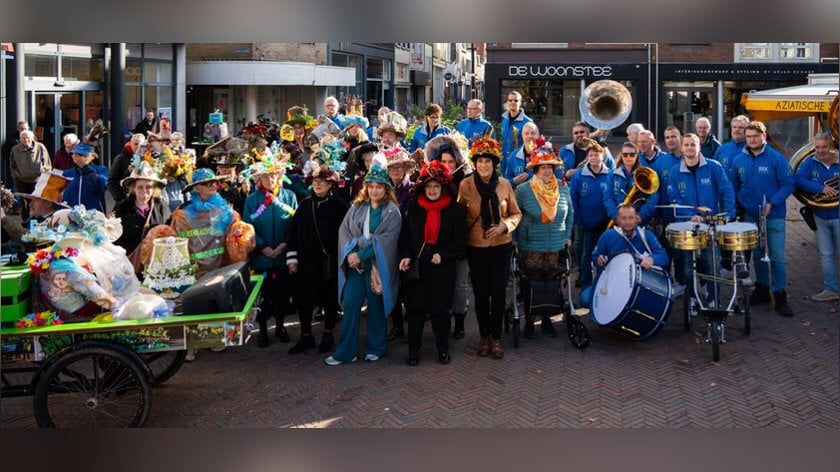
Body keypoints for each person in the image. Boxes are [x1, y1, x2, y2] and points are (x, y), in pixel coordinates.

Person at [327, 153, 402, 365]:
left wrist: (361, 254)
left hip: (377, 267)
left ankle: (376, 347)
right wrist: (352, 254)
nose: (375, 190)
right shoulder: (357, 208)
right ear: (366, 188)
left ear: (385, 188)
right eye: (371, 186)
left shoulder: (392, 212)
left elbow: (388, 240)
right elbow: (345, 231)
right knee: (351, 303)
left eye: (379, 186)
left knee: (376, 307)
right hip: (356, 268)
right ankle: (346, 351)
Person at [459, 136, 521, 359]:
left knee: (498, 292)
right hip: (476, 247)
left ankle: (496, 338)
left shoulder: (504, 184)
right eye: (480, 161)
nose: (484, 165)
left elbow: (516, 213)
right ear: (474, 163)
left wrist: (504, 226)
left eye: (488, 161)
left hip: (501, 246)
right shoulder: (465, 185)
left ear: (494, 164)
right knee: (481, 294)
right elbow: (459, 217)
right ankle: (483, 336)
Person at [399, 161, 466, 365]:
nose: (433, 190)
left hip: (441, 268)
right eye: (429, 186)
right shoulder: (413, 207)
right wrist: (406, 255)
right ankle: (413, 351)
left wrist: (443, 255)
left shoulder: (454, 210)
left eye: (436, 186)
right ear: (423, 187)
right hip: (418, 266)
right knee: (416, 310)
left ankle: (443, 349)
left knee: (440, 311)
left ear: (443, 187)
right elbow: (405, 237)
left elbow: (460, 242)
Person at [731, 121, 795, 317]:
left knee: (776, 256)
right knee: (758, 254)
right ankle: (762, 289)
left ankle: (780, 294)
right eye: (748, 136)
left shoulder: (777, 158)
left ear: (764, 136)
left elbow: (788, 183)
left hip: (773, 215)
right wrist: (737, 207)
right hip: (750, 215)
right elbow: (733, 186)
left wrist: (772, 203)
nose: (752, 140)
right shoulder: (738, 160)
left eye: (755, 136)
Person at [286, 163, 350, 355]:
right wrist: (292, 258)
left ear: (331, 184)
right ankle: (306, 336)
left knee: (330, 299)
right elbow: (294, 233)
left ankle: (328, 334)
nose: (318, 184)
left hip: (329, 262)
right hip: (306, 261)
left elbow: (347, 234)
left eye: (322, 181)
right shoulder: (305, 205)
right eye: (315, 181)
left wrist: (343, 259)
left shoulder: (340, 207)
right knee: (303, 299)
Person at [667, 133, 736, 307]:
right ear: (682, 148)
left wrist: (728, 214)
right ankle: (692, 297)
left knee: (714, 265)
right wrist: (691, 214)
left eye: (693, 144)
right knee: (689, 267)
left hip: (710, 224)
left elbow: (726, 190)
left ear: (699, 147)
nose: (690, 148)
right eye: (687, 145)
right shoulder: (675, 172)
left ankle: (713, 298)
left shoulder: (714, 167)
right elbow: (674, 197)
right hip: (688, 224)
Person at [513, 142, 573, 339]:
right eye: (543, 167)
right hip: (530, 244)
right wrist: (514, 239)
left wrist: (567, 236)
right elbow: (514, 214)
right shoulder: (523, 190)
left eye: (550, 167)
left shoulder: (563, 188)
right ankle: (529, 321)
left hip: (555, 244)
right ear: (536, 169)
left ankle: (547, 320)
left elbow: (570, 213)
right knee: (531, 283)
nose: (547, 171)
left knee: (551, 283)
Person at [243, 153, 298, 347]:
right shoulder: (252, 200)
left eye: (274, 175)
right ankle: (263, 331)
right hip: (262, 258)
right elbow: (247, 226)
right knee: (263, 297)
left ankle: (281, 327)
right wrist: (263, 247)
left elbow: (294, 224)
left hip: (283, 256)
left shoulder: (289, 196)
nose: (270, 179)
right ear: (259, 178)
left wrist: (284, 245)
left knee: (282, 295)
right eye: (266, 176)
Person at [424, 133, 473, 338]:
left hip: (460, 240)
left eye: (451, 161)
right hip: (437, 242)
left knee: (460, 284)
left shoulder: (466, 181)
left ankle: (460, 319)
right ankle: (441, 318)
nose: (448, 165)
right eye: (444, 161)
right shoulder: (431, 179)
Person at [170, 168, 255, 279]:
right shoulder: (183, 215)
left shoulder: (228, 212)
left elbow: (238, 245)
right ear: (196, 188)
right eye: (206, 183)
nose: (212, 185)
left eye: (214, 182)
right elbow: (176, 245)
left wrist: (238, 233)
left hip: (223, 272)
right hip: (195, 275)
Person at [794, 132, 839, 302]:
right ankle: (831, 289)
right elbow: (798, 179)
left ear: (831, 147)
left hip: (838, 214)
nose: (820, 151)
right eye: (817, 147)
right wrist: (821, 189)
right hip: (820, 215)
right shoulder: (810, 161)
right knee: (826, 254)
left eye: (824, 147)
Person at [383, 146, 417, 340]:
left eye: (399, 167)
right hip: (388, 244)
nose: (395, 171)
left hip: (407, 244)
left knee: (408, 286)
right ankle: (396, 325)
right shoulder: (383, 189)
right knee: (391, 285)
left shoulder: (412, 190)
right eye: (392, 168)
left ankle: (412, 326)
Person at [569, 142, 611, 295]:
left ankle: (602, 283)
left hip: (604, 223)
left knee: (602, 254)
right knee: (585, 255)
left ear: (603, 156)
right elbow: (573, 199)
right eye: (591, 155)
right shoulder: (579, 176)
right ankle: (586, 284)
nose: (594, 158)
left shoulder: (610, 174)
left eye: (597, 155)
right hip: (585, 223)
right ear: (587, 157)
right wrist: (577, 221)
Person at [592, 204, 669, 281]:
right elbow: (595, 257)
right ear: (618, 220)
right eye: (624, 218)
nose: (628, 222)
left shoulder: (646, 235)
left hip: (641, 280)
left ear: (636, 218)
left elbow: (664, 257)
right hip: (614, 280)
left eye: (631, 218)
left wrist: (652, 259)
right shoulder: (606, 236)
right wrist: (599, 260)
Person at [112, 162, 171, 259]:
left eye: (148, 187)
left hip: (155, 260)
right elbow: (114, 237)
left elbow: (168, 232)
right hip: (129, 260)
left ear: (154, 189)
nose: (144, 190)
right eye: (140, 187)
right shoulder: (121, 208)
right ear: (133, 188)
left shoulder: (161, 207)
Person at [604, 142, 658, 227]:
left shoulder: (645, 174)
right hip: (618, 221)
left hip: (639, 221)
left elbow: (653, 197)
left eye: (632, 154)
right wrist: (616, 215)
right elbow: (607, 197)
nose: (628, 157)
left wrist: (641, 216)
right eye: (625, 154)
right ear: (621, 156)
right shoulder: (612, 174)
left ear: (637, 155)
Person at [10, 129, 52, 220]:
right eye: (23, 138)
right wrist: (16, 175)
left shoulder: (40, 147)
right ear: (20, 139)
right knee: (24, 203)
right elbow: (12, 165)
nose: (26, 140)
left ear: (32, 138)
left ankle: (37, 222)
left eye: (28, 138)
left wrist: (42, 171)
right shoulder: (15, 149)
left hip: (37, 180)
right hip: (21, 180)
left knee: (37, 202)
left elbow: (48, 164)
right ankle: (25, 223)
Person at [62, 142, 107, 212]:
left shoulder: (101, 170)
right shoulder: (67, 173)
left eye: (82, 155)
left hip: (93, 216)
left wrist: (85, 167)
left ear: (92, 156)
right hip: (70, 215)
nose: (77, 157)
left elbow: (101, 185)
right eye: (75, 154)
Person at [108, 133, 146, 204]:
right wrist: (121, 200)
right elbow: (112, 182)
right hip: (126, 200)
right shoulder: (120, 159)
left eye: (141, 145)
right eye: (136, 144)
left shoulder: (149, 159)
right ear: (130, 144)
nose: (138, 147)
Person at [501, 122, 540, 187]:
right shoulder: (513, 156)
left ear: (538, 136)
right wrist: (514, 182)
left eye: (533, 133)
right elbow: (506, 182)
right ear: (522, 137)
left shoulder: (548, 154)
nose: (530, 136)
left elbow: (558, 180)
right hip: (519, 196)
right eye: (526, 133)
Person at [500, 91, 533, 160]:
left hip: (518, 162)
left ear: (520, 103)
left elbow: (531, 145)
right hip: (503, 162)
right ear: (507, 102)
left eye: (516, 100)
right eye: (510, 100)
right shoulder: (504, 120)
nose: (513, 102)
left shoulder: (528, 122)